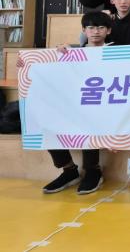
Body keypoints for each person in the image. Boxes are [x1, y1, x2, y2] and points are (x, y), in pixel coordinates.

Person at [17, 12, 112, 195]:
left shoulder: (117, 52)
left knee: (87, 120)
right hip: (74, 103)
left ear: (108, 30)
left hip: (102, 105)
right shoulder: (72, 52)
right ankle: (69, 170)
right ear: (84, 30)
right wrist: (56, 55)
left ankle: (93, 170)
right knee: (45, 122)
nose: (96, 32)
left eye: (101, 27)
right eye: (91, 27)